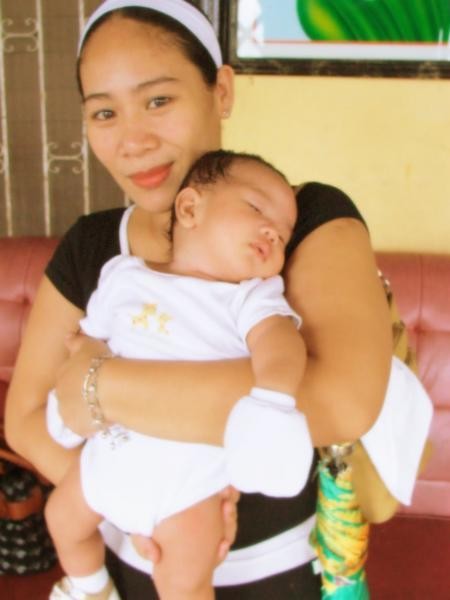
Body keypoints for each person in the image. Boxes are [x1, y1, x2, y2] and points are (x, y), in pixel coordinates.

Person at [4, 0, 394, 597]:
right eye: (104, 112)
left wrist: (97, 385)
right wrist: (135, 500)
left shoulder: (298, 224)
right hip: (123, 561)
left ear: (221, 91)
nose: (133, 141)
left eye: (158, 100)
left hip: (274, 577)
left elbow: (341, 400)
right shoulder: (91, 246)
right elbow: (27, 417)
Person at [44, 149, 314, 600]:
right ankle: (90, 590)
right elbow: (86, 340)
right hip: (108, 460)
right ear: (189, 208)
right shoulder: (124, 276)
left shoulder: (249, 297)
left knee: (183, 584)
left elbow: (281, 342)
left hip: (188, 489)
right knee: (62, 519)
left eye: (284, 235)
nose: (273, 231)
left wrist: (274, 398)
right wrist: (68, 395)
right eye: (256, 209)